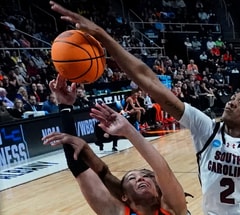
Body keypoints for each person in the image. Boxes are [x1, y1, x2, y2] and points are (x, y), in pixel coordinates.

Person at [49, 2, 240, 214]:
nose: (231, 101)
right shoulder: (207, 129)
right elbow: (151, 82)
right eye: (233, 97)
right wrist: (103, 36)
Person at [42, 75, 188, 215]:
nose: (140, 178)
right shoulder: (116, 212)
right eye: (132, 178)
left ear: (158, 189)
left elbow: (161, 169)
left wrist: (129, 131)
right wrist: (65, 108)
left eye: (146, 176)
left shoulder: (172, 208)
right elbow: (79, 168)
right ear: (124, 196)